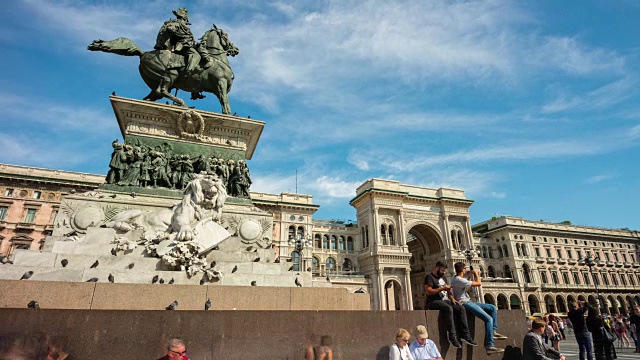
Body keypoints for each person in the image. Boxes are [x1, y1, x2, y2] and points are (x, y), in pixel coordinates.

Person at [451, 262, 506, 354]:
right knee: (488, 319)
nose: (466, 270)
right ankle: (489, 345)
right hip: (465, 303)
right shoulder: (459, 280)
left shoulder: (455, 278)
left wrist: (469, 276)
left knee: (492, 307)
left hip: (468, 301)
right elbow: (479, 283)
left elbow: (465, 286)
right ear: (463, 269)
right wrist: (476, 273)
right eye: (465, 269)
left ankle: (493, 331)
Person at [424, 261, 476, 348]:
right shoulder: (429, 277)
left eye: (445, 271)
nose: (444, 273)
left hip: (444, 300)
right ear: (437, 268)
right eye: (442, 270)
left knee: (460, 308)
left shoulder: (443, 278)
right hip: (432, 302)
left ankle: (465, 336)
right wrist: (442, 288)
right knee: (448, 308)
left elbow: (448, 290)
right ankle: (452, 337)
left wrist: (453, 299)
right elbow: (429, 291)